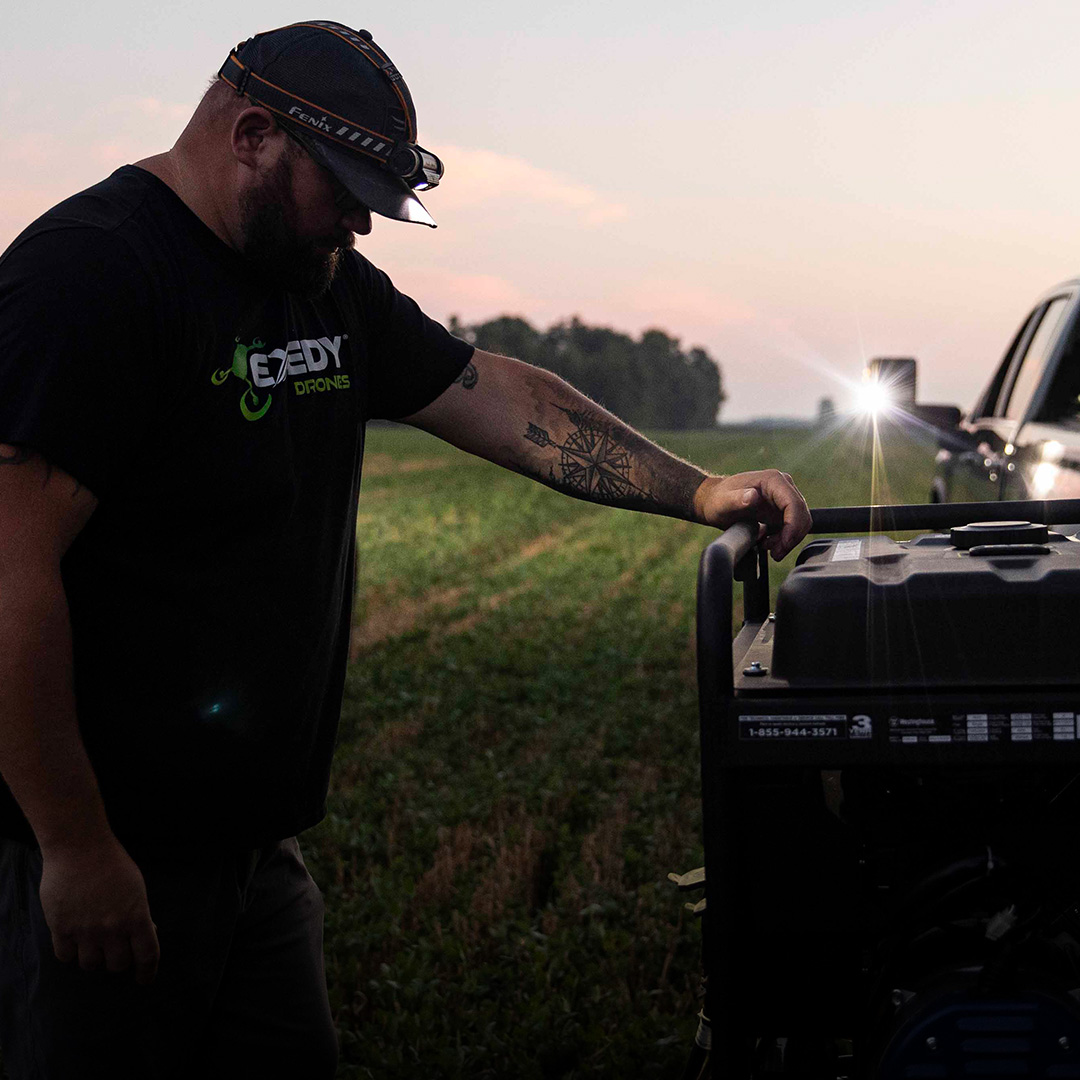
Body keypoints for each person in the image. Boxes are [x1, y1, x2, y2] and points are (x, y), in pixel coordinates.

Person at [0, 19, 812, 1079]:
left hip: (255, 849)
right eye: (344, 193)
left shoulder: (321, 278)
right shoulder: (87, 277)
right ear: (252, 136)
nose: (359, 225)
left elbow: (495, 397)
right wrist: (73, 845)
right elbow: (9, 575)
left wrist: (698, 490)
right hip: (104, 852)